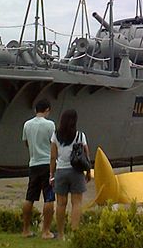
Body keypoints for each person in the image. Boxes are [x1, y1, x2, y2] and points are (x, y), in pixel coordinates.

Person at [50, 108, 92, 239]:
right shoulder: (80, 135)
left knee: (61, 204)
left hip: (61, 171)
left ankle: (61, 234)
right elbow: (86, 155)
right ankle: (74, 233)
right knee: (77, 203)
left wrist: (51, 174)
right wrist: (88, 171)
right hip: (77, 171)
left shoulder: (55, 135)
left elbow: (52, 157)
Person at [21, 99, 55, 238]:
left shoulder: (27, 125)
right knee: (49, 198)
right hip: (47, 163)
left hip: (33, 163)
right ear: (47, 110)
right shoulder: (50, 125)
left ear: (35, 110)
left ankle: (25, 230)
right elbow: (54, 144)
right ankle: (46, 231)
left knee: (30, 197)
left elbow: (26, 143)